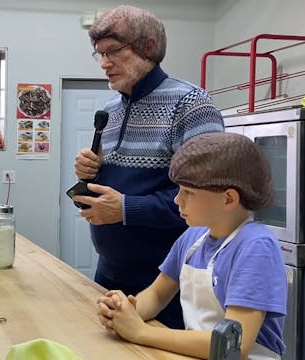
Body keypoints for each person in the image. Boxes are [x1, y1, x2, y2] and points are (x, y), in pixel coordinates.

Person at [72, 5, 224, 329]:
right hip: (108, 271)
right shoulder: (110, 110)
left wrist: (126, 209)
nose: (104, 63)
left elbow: (208, 200)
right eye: (99, 54)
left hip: (166, 285)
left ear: (149, 47)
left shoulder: (191, 105)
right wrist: (92, 173)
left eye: (113, 51)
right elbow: (121, 185)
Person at [96, 132, 286, 359]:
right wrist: (125, 313)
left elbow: (233, 343)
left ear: (228, 199)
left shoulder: (256, 247)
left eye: (188, 192)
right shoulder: (194, 236)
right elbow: (157, 295)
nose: (177, 200)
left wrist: (140, 332)